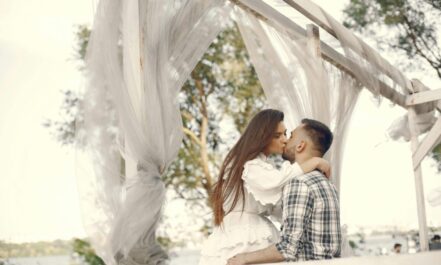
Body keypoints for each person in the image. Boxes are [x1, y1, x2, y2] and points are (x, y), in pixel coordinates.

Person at [198, 110, 331, 265]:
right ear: (262, 137)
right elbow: (274, 182)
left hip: (252, 230)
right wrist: (314, 162)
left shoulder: (260, 166)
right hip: (243, 236)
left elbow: (276, 207)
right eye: (277, 135)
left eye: (285, 134)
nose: (284, 140)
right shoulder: (249, 165)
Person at [227, 118, 341, 264]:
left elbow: (288, 248)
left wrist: (244, 258)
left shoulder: (299, 184)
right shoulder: (327, 184)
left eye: (291, 135)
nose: (286, 140)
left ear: (300, 146)